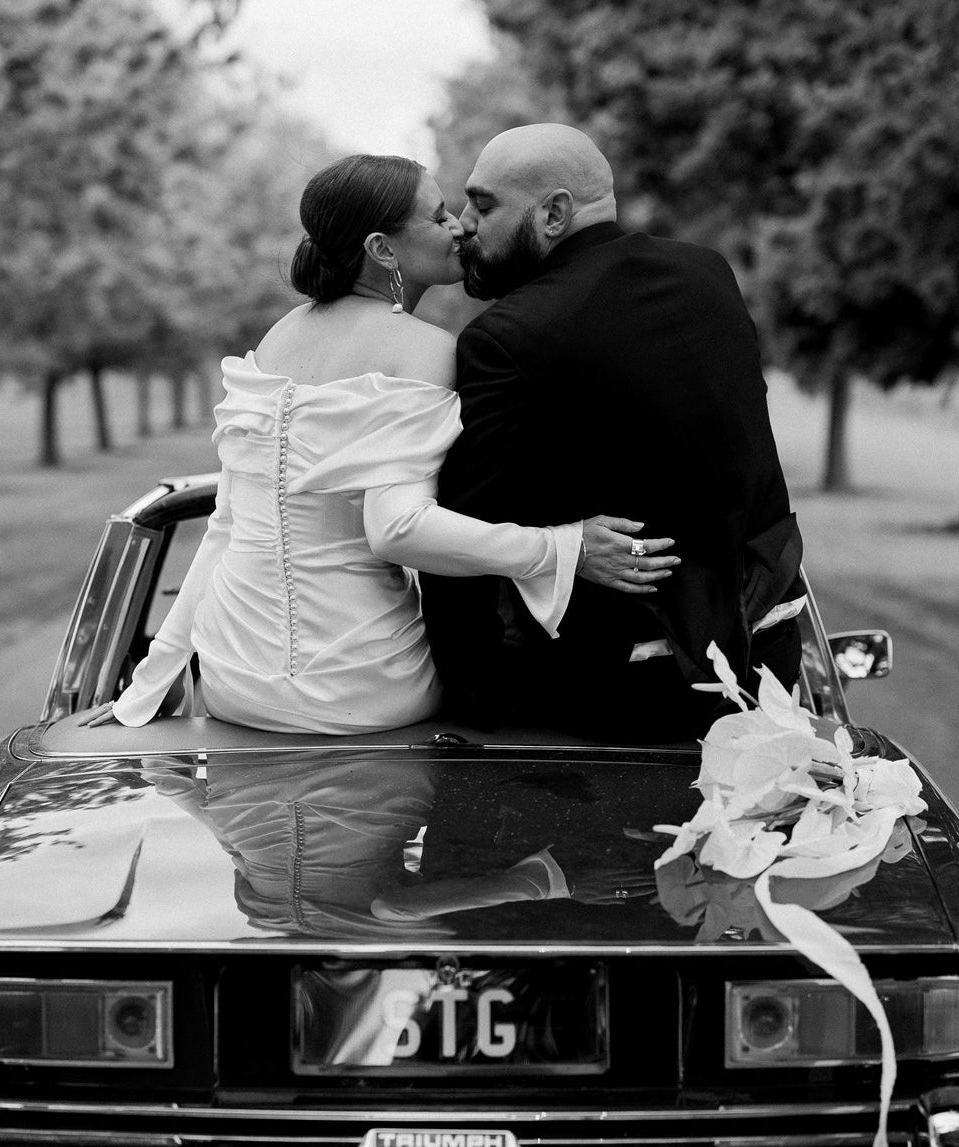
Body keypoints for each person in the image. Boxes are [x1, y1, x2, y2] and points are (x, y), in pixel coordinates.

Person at [76, 153, 676, 735]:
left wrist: (152, 682)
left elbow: (227, 527)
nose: (459, 227)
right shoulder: (421, 348)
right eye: (438, 216)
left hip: (235, 680)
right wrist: (562, 547)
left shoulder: (276, 338)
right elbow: (397, 529)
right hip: (364, 683)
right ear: (382, 248)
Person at [419, 124, 805, 740]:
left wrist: (470, 704)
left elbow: (467, 540)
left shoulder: (508, 337)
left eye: (483, 203)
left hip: (617, 703)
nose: (464, 223)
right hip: (767, 665)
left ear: (553, 213)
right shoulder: (708, 276)